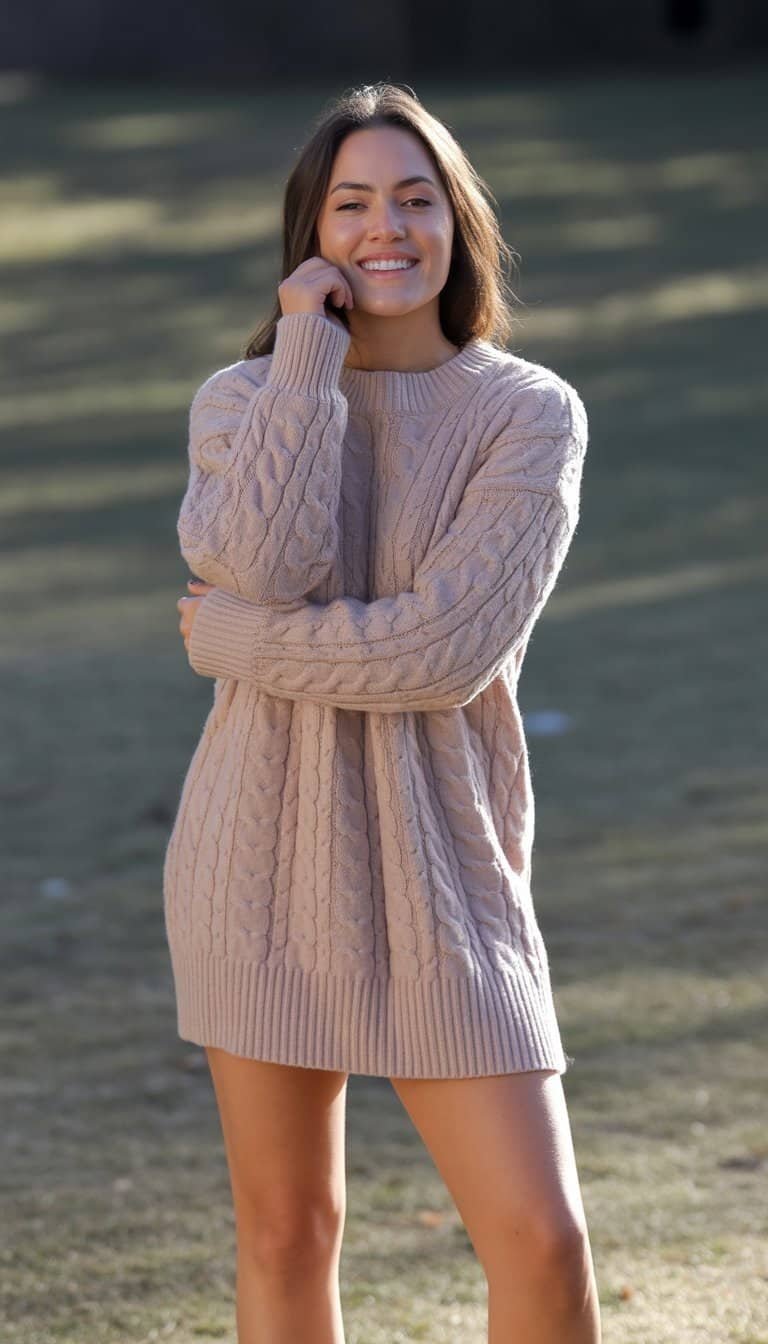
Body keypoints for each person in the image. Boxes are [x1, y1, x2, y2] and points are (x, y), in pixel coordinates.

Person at [169, 80, 601, 1344]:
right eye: (352, 203)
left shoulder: (527, 414)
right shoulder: (241, 401)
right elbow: (264, 556)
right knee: (288, 1232)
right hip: (253, 864)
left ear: (459, 223)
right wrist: (305, 351)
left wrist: (239, 644)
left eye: (416, 199)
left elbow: (446, 654)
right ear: (314, 233)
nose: (387, 228)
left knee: (541, 1237)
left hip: (446, 876)